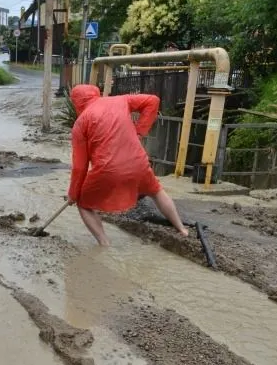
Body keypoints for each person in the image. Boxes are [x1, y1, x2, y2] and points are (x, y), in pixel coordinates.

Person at [67, 84, 188, 246]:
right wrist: (140, 131)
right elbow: (152, 101)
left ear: (76, 102)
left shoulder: (80, 124)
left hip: (108, 170)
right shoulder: (120, 100)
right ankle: (182, 229)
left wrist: (73, 194)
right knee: (156, 191)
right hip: (138, 163)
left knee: (83, 203)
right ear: (96, 94)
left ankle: (104, 243)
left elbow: (80, 167)